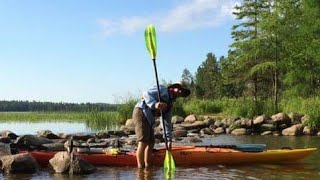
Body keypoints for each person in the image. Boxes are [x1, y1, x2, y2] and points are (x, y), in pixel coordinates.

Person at [133, 82, 190, 168]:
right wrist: (155, 104)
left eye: (182, 91)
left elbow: (166, 123)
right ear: (173, 87)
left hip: (150, 118)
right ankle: (140, 168)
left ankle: (148, 167)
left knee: (151, 143)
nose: (180, 91)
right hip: (141, 111)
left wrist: (168, 140)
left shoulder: (169, 105)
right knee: (143, 141)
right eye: (179, 88)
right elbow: (146, 93)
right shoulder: (162, 89)